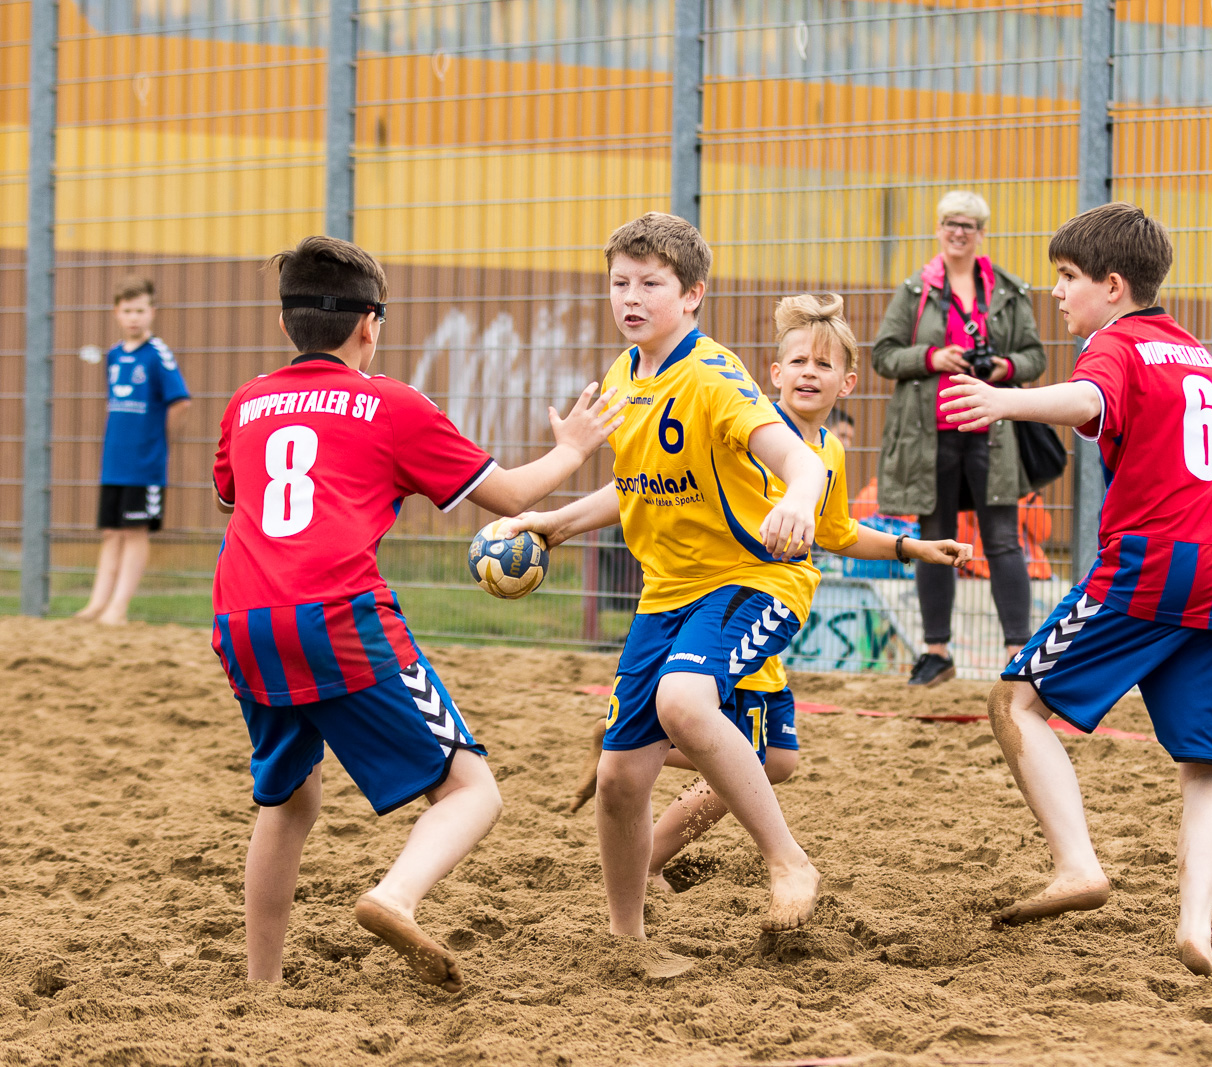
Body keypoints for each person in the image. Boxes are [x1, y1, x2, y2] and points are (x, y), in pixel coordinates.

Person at [210, 235, 622, 993]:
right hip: (339, 619)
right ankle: (393, 895)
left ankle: (261, 987)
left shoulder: (248, 401)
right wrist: (573, 447)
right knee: (473, 791)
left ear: (283, 325)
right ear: (371, 324)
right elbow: (510, 497)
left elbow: (234, 493)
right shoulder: (392, 404)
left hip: (242, 622)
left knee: (288, 798)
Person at [941, 203, 1212, 980]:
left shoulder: (1114, 344)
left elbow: (1089, 400)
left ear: (1113, 286)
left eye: (1067, 277)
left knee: (1015, 700)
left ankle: (1078, 865)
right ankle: (1196, 927)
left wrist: (1005, 401)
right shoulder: (1195, 353)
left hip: (1159, 559)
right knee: (1208, 764)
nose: (1057, 292)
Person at [501, 214, 828, 951]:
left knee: (686, 703)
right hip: (667, 595)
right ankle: (629, 940)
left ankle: (789, 862)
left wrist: (797, 500)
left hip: (754, 577)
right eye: (620, 281)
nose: (632, 296)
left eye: (651, 282)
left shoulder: (714, 376)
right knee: (618, 777)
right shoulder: (624, 375)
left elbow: (804, 462)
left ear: (692, 296)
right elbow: (636, 484)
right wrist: (554, 524)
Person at [638, 294, 971, 891]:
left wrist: (910, 548)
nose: (807, 373)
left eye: (822, 365)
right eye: (797, 361)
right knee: (757, 755)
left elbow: (837, 532)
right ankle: (648, 845)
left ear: (847, 383)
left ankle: (642, 745)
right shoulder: (747, 432)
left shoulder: (830, 452)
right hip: (738, 598)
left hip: (756, 606)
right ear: (774, 374)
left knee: (778, 758)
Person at [872, 189, 1047, 686]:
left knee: (1003, 541)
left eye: (967, 224)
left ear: (981, 233)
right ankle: (936, 652)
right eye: (950, 222)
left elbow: (1035, 357)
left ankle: (1018, 653)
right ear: (938, 228)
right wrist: (933, 357)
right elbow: (884, 354)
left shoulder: (1008, 291)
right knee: (934, 540)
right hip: (932, 435)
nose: (957, 231)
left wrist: (1003, 366)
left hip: (990, 432)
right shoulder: (914, 291)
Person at [75, 276, 190, 625]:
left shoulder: (158, 355)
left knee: (135, 531)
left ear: (152, 312)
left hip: (144, 463)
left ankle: (119, 608)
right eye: (127, 310)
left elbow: (180, 401)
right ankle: (97, 604)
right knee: (111, 531)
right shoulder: (113, 355)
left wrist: (159, 440)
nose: (134, 317)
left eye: (140, 310)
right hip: (114, 461)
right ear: (116, 312)